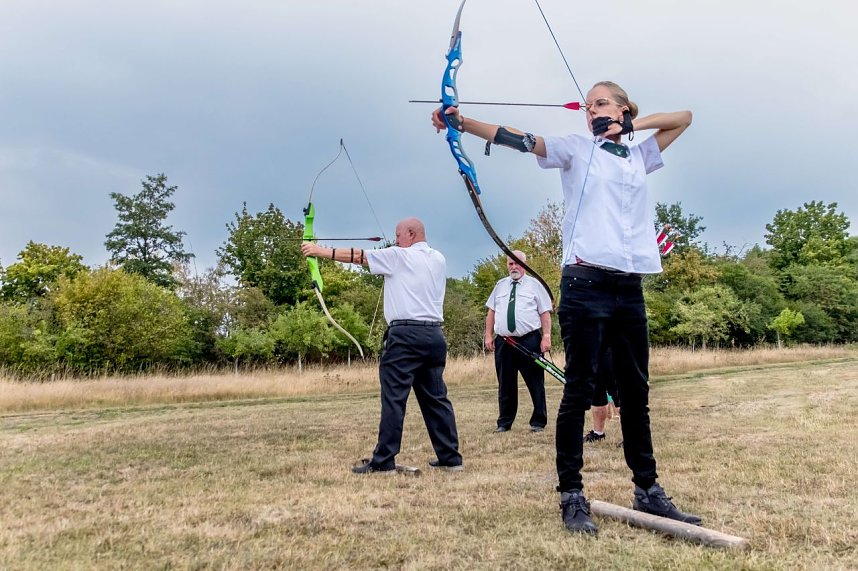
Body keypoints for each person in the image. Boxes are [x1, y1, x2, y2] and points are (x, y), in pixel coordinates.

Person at [432, 81, 701, 533]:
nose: (592, 110)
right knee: (579, 389)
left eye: (601, 103)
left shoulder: (638, 154)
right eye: (589, 104)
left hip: (629, 286)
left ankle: (648, 490)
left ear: (621, 107)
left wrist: (630, 125)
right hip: (585, 283)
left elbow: (685, 117)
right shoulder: (576, 148)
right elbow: (518, 139)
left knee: (636, 394)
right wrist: (462, 122)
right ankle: (571, 496)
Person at [301, 217, 463, 474]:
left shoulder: (399, 256)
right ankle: (451, 458)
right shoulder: (438, 259)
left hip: (405, 338)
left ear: (411, 234)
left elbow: (359, 256)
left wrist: (318, 251)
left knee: (394, 399)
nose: (395, 239)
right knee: (436, 399)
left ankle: (384, 461)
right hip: (434, 337)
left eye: (398, 235)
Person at [484, 250, 552, 433]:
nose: (513, 267)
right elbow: (491, 312)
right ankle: (504, 422)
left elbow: (545, 313)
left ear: (524, 265)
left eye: (517, 263)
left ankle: (538, 421)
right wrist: (488, 335)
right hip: (504, 341)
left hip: (529, 340)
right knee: (505, 383)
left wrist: (546, 337)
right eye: (510, 264)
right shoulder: (500, 285)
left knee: (535, 381)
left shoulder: (534, 285)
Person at [583, 347, 620, 443]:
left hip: (612, 348)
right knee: (596, 393)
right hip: (593, 351)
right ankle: (598, 433)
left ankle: (631, 437)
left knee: (618, 392)